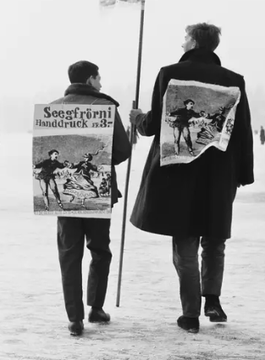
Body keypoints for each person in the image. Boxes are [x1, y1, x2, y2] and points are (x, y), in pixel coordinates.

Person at [129, 23, 254, 333]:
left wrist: (137, 119)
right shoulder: (234, 81)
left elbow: (155, 124)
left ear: (195, 41)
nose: (182, 41)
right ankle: (212, 299)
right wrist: (243, 174)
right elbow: (242, 131)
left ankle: (190, 313)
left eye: (185, 37)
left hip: (177, 172)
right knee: (214, 237)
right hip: (219, 173)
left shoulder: (169, 73)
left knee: (185, 242)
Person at [49, 60, 131, 337]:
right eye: (99, 78)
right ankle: (96, 306)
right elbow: (121, 151)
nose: (101, 83)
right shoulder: (106, 107)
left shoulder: (53, 108)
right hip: (99, 190)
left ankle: (75, 318)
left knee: (70, 255)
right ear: (90, 80)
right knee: (99, 250)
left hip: (64, 195)